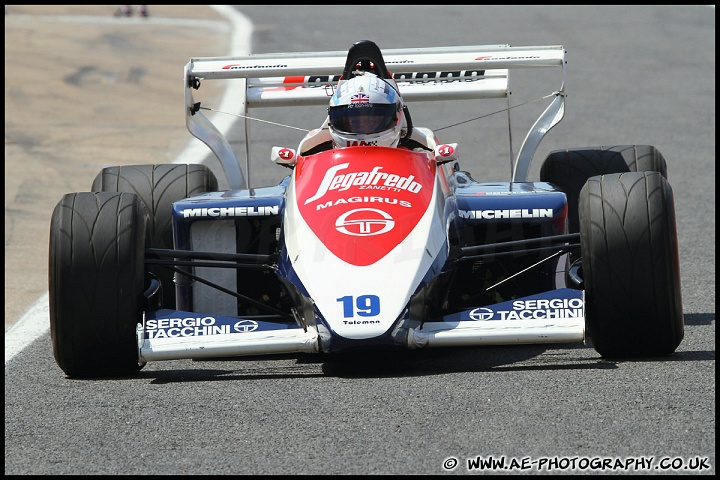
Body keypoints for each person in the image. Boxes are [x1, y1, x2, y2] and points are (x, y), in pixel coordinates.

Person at [297, 70, 436, 155]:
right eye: (354, 121)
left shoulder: (420, 154)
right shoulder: (317, 157)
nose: (362, 127)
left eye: (371, 120)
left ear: (397, 116)